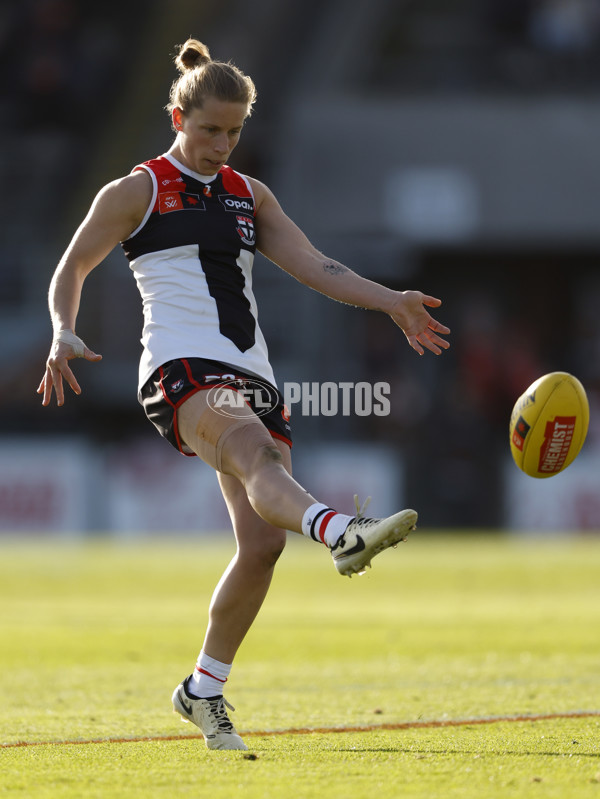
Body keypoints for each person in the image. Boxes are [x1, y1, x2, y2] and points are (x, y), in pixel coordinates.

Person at [37, 38, 450, 750]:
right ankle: (342, 533)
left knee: (260, 544)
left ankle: (202, 690)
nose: (221, 144)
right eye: (209, 130)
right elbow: (71, 266)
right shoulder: (137, 190)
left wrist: (392, 302)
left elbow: (314, 263)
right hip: (180, 369)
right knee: (256, 453)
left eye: (233, 132)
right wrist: (61, 330)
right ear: (177, 116)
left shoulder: (248, 196)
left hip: (251, 373)